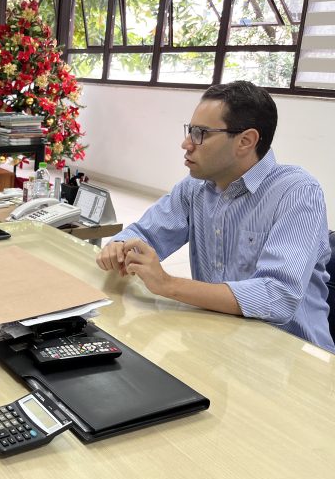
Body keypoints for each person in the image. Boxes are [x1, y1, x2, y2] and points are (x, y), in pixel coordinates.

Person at [96, 81, 333, 352]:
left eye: (201, 134)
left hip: (292, 359)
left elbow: (278, 297)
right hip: (220, 340)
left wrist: (168, 284)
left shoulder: (298, 192)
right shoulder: (195, 187)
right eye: (190, 131)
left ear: (245, 141)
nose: (186, 143)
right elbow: (145, 235)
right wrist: (119, 247)